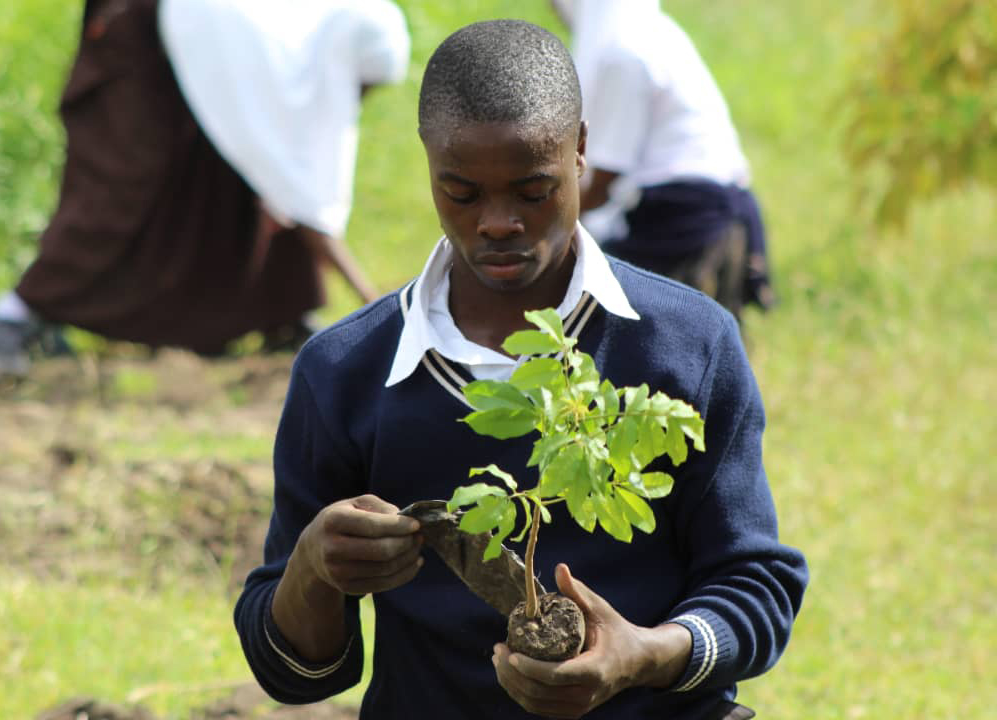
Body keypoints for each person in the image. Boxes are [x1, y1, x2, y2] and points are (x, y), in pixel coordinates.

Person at [234, 19, 807, 720]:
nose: (498, 222)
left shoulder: (687, 343)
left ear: (581, 153)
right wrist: (314, 569)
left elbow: (754, 584)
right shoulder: (348, 371)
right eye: (462, 193)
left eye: (532, 191)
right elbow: (295, 675)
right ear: (428, 165)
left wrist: (642, 655)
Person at [0, 0, 409, 379]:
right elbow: (307, 209)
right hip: (142, 38)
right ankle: (16, 317)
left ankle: (281, 317)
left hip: (199, 38)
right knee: (122, 187)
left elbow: (287, 183)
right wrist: (378, 309)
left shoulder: (298, 34)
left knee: (226, 185)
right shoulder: (257, 39)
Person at [550, 0, 776, 323]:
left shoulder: (623, 56)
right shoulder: (657, 33)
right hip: (708, 212)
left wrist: (543, 224)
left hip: (682, 224)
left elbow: (601, 184)